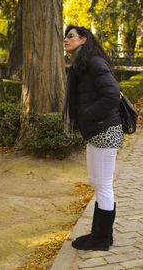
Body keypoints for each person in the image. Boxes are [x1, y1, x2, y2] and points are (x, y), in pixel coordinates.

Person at [63, 25, 124, 251]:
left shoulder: (94, 62)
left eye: (70, 36)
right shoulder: (83, 64)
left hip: (105, 130)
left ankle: (101, 239)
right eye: (65, 36)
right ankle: (99, 235)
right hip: (97, 130)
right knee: (97, 182)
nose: (65, 39)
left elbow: (112, 94)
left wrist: (87, 116)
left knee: (104, 185)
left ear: (84, 39)